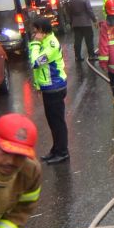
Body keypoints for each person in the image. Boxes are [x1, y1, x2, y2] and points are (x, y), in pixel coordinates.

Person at [28, 17, 69, 164]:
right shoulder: (44, 42)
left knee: (58, 122)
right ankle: (56, 149)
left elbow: (36, 63)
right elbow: (39, 71)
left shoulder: (50, 44)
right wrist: (38, 86)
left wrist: (34, 44)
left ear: (43, 31)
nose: (34, 33)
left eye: (36, 30)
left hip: (55, 88)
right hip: (48, 88)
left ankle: (63, 152)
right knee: (52, 122)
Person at [67, 0, 97, 64]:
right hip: (86, 23)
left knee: (77, 41)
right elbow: (90, 10)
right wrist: (94, 20)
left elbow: (69, 13)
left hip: (76, 24)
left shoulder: (71, 1)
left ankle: (77, 56)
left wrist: (71, 22)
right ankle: (91, 55)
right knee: (89, 40)